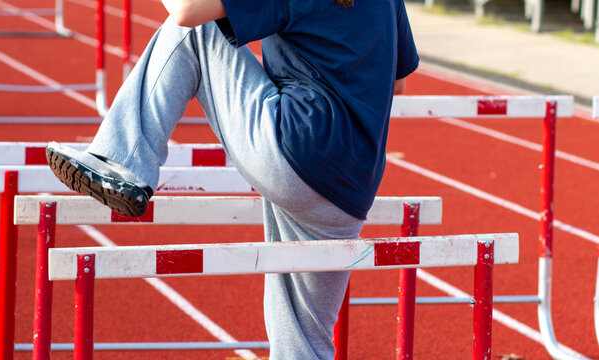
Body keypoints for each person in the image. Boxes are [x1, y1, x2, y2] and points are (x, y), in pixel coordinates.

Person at [46, 0, 418, 358]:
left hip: (297, 152)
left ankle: (122, 163)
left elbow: (186, 11)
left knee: (196, 32)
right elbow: (398, 82)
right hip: (350, 190)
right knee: (303, 345)